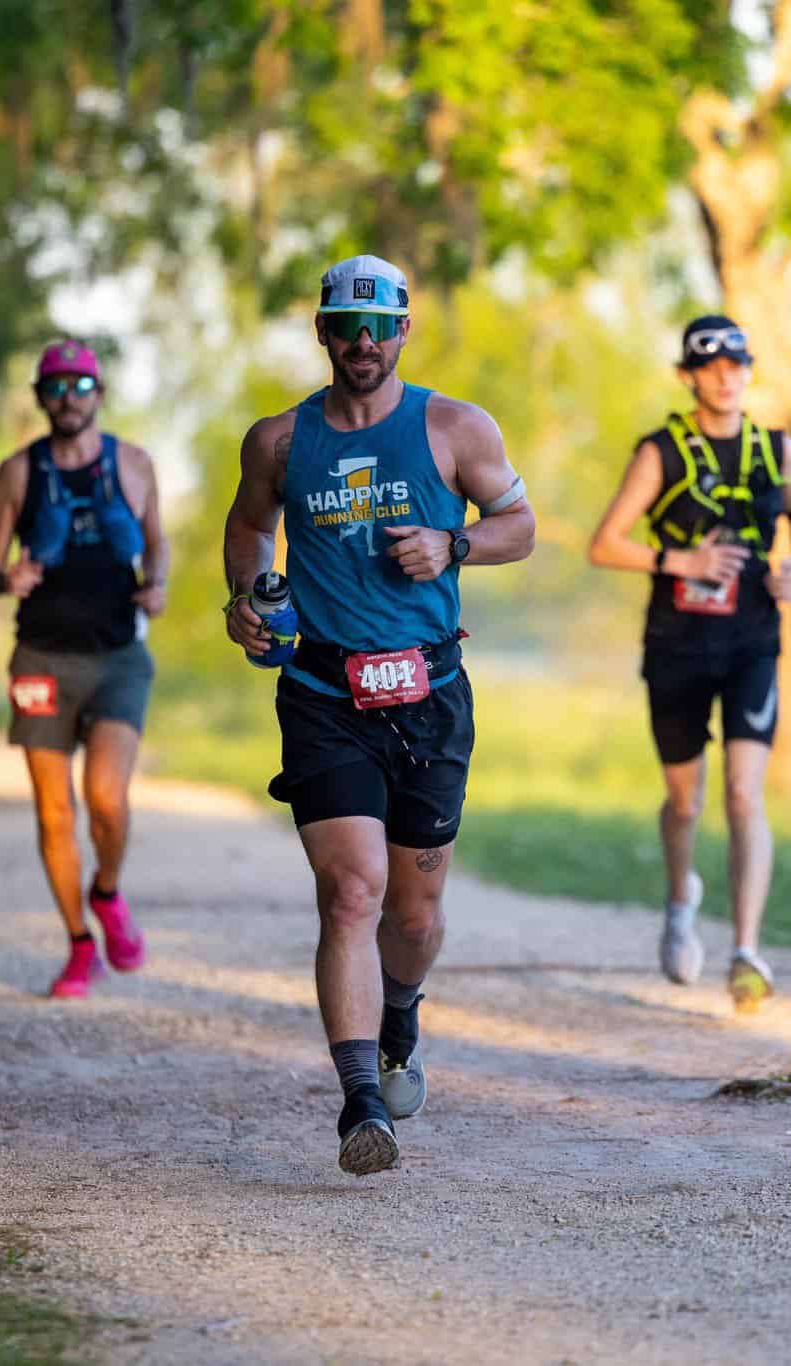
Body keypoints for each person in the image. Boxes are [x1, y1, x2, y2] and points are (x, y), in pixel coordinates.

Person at [222, 255, 535, 1175]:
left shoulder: (453, 428)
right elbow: (249, 524)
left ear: (404, 330)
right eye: (344, 326)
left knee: (415, 910)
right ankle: (363, 1103)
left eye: (379, 327)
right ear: (321, 332)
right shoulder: (279, 441)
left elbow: (522, 526)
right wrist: (247, 596)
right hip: (324, 693)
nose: (363, 343)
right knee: (351, 889)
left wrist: (456, 543)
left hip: (430, 697)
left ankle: (401, 1011)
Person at [586, 315, 791, 1012]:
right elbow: (605, 544)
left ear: (749, 370)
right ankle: (681, 899)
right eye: (711, 365)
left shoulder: (776, 448)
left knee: (746, 793)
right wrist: (676, 559)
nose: (727, 375)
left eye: (738, 363)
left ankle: (746, 950)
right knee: (687, 800)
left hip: (751, 640)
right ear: (688, 375)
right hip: (678, 645)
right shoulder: (662, 452)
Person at [0, 340, 168, 999]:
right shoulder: (19, 472)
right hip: (42, 657)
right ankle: (80, 945)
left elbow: (157, 545)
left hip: (117, 657)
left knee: (107, 798)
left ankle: (107, 893)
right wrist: (9, 576)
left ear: (100, 394)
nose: (67, 399)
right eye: (55, 388)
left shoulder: (134, 465)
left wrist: (159, 584)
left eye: (79, 387)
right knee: (55, 814)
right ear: (39, 398)